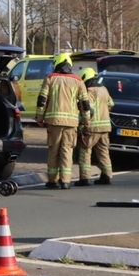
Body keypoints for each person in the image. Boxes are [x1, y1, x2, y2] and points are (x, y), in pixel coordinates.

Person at [36, 53, 91, 190]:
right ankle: (65, 181)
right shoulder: (78, 81)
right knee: (67, 151)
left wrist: (39, 118)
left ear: (57, 64)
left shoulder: (50, 78)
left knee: (54, 151)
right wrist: (86, 119)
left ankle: (52, 181)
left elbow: (42, 100)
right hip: (71, 123)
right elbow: (85, 103)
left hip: (53, 122)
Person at [76, 68, 114, 186]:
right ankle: (107, 175)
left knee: (85, 151)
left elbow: (88, 109)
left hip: (92, 127)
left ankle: (85, 178)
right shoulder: (104, 89)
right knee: (103, 152)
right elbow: (111, 104)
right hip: (105, 127)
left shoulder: (89, 91)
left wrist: (83, 122)